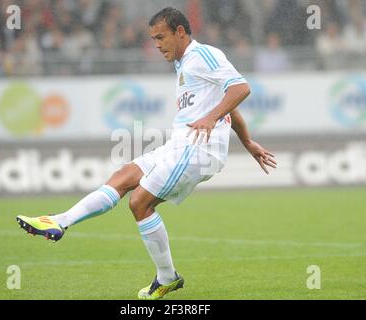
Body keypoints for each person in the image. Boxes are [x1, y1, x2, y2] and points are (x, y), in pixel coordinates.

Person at [16, 7, 277, 300]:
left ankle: (167, 278)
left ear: (180, 32)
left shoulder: (203, 55)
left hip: (197, 149)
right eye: (153, 39)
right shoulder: (184, 65)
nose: (157, 45)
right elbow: (229, 104)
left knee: (139, 202)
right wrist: (248, 142)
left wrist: (211, 118)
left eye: (161, 37)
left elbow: (240, 89)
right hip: (180, 145)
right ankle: (59, 221)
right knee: (124, 174)